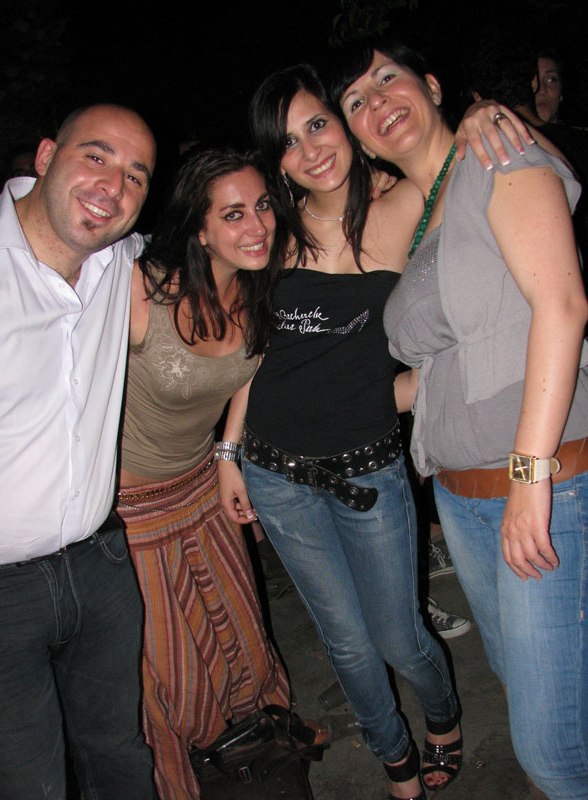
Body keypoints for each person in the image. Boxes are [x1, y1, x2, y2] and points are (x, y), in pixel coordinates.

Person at [218, 63, 529, 800]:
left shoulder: (410, 204)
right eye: (287, 143)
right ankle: (396, 762)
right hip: (275, 472)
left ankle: (444, 718)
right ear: (276, 162)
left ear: (344, 122)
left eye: (317, 124)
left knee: (400, 637)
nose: (310, 150)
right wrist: (229, 451)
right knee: (347, 643)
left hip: (369, 471)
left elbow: (476, 161)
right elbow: (257, 354)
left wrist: (481, 112)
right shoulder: (273, 231)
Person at [335, 37, 588, 800]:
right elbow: (438, 375)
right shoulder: (421, 225)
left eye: (388, 78)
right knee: (537, 696)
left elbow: (562, 306)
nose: (377, 102)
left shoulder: (496, 154)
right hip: (462, 496)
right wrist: (318, 413)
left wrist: (531, 478)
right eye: (355, 101)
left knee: (551, 749)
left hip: (546, 483)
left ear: (434, 86)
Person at [0, 104, 157, 799]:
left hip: (101, 567)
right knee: (29, 785)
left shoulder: (121, 259)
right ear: (45, 156)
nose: (113, 186)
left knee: (121, 759)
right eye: (96, 156)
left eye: (136, 175)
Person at [116, 147, 292, 800]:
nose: (258, 226)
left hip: (202, 487)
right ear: (199, 228)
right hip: (131, 511)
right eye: (234, 214)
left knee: (241, 636)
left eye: (263, 207)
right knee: (171, 672)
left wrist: (228, 454)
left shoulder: (258, 284)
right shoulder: (142, 290)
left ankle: (259, 762)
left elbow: (248, 370)